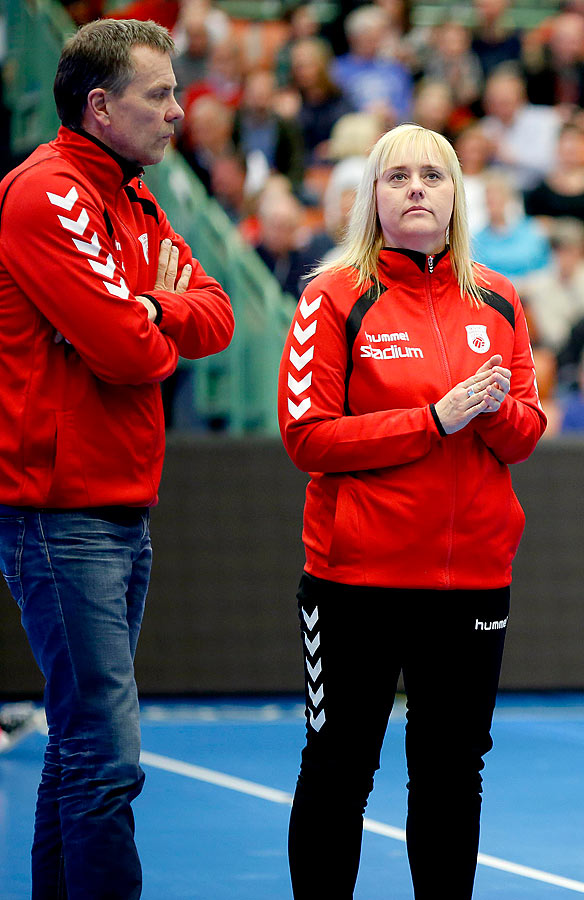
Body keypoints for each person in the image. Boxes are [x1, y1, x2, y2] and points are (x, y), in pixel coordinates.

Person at [278, 123, 546, 899]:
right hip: (355, 580)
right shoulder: (331, 297)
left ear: (458, 194)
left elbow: (524, 433)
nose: (418, 188)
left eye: (434, 175)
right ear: (372, 198)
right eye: (398, 177)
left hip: (472, 583)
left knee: (453, 770)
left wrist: (489, 412)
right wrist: (433, 420)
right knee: (339, 767)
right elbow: (308, 437)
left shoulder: (497, 297)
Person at [0, 19, 235, 898]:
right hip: (59, 511)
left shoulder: (134, 200)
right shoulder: (49, 195)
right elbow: (129, 353)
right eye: (160, 95)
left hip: (116, 507)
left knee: (77, 746)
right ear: (100, 107)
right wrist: (151, 307)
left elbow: (216, 313)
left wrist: (149, 308)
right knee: (105, 756)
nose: (179, 111)